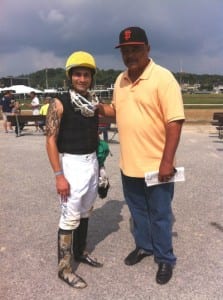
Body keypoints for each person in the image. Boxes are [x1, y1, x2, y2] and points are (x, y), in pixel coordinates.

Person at [98, 26, 185, 285]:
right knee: (137, 212)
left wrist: (167, 161)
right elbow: (117, 110)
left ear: (148, 48)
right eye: (125, 50)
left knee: (160, 214)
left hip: (158, 166)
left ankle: (165, 258)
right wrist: (97, 108)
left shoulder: (163, 78)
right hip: (129, 165)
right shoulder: (120, 80)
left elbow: (175, 122)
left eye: (135, 48)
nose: (130, 54)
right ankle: (144, 246)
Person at [45, 51, 102, 289]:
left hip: (91, 163)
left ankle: (79, 252)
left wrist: (102, 167)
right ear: (70, 76)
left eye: (86, 74)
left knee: (86, 211)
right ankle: (64, 269)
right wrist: (59, 176)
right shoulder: (59, 103)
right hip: (72, 164)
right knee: (69, 216)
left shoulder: (92, 103)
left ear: (91, 77)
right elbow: (50, 140)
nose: (82, 78)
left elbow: (94, 136)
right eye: (77, 74)